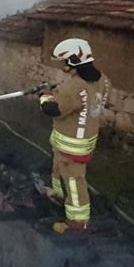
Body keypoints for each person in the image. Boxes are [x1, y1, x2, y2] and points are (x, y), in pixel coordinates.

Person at [36, 38, 112, 234]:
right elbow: (86, 102)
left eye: (64, 62)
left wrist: (44, 94)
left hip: (71, 145)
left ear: (73, 60)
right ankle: (58, 195)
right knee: (59, 170)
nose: (62, 67)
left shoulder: (74, 87)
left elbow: (53, 109)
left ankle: (78, 222)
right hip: (84, 139)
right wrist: (56, 92)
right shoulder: (102, 80)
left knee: (74, 182)